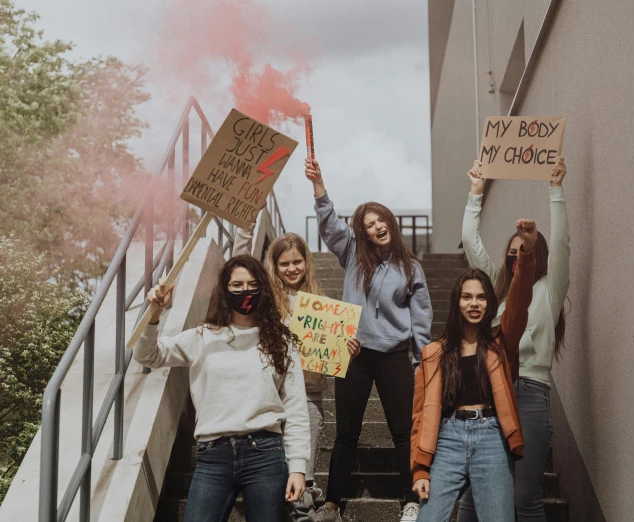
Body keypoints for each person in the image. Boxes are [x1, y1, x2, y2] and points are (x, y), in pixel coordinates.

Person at [134, 255, 310, 522]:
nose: (244, 291)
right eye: (236, 285)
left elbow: (296, 408)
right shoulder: (201, 337)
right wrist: (154, 313)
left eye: (252, 284)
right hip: (212, 456)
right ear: (224, 290)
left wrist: (298, 467)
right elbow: (148, 355)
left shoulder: (283, 342)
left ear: (263, 287)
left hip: (265, 454)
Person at [306, 157, 433, 522]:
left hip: (394, 357)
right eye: (369, 224)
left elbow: (422, 320)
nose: (377, 227)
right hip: (354, 354)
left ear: (390, 223)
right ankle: (332, 503)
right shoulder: (353, 256)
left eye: (381, 221)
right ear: (361, 233)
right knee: (346, 432)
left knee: (402, 432)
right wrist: (319, 186)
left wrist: (420, 361)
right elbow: (330, 226)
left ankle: (411, 499)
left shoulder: (412, 268)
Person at [457, 157, 569, 522]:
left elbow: (563, 247)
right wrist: (475, 194)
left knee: (525, 498)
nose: (514, 261)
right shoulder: (497, 289)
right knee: (472, 495)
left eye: (523, 255)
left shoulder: (549, 291)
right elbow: (472, 246)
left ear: (536, 256)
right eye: (510, 256)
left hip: (531, 393)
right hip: (490, 389)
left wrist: (555, 190)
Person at [411, 219, 538, 521]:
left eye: (481, 297)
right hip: (448, 438)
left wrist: (528, 252)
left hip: (492, 437)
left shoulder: (500, 343)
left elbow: (519, 305)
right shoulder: (434, 353)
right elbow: (419, 415)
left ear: (490, 303)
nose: (474, 303)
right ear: (457, 302)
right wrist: (419, 468)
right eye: (467, 296)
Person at [263, 232, 361, 521]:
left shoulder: (320, 305)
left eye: (297, 261)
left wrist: (347, 350)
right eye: (284, 264)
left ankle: (302, 513)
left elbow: (330, 354)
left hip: (309, 395)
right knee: (275, 473)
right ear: (274, 265)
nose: (292, 268)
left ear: (307, 262)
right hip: (272, 397)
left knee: (302, 470)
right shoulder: (265, 303)